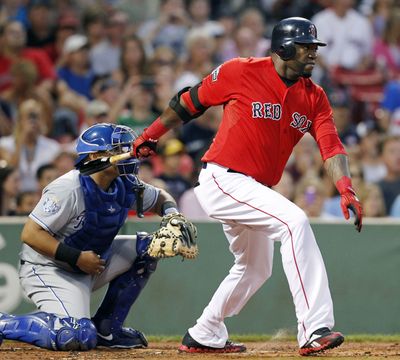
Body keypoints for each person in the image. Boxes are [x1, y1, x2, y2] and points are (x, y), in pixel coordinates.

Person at [132, 17, 363, 356]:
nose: (313, 54)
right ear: (283, 47)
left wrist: (346, 188)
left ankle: (204, 331)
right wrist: (150, 135)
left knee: (256, 268)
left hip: (256, 189)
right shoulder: (240, 71)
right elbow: (188, 102)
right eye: (305, 46)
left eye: (315, 47)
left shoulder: (314, 97)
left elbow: (331, 146)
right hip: (222, 178)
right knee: (294, 222)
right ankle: (314, 328)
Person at [0, 123, 195, 351]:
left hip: (92, 260)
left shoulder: (124, 183)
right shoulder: (67, 187)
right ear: (95, 156)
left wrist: (172, 215)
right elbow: (31, 233)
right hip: (50, 268)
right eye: (118, 149)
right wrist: (76, 257)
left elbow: (160, 197)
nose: (127, 154)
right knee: (76, 335)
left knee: (149, 248)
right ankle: (5, 323)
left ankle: (108, 329)